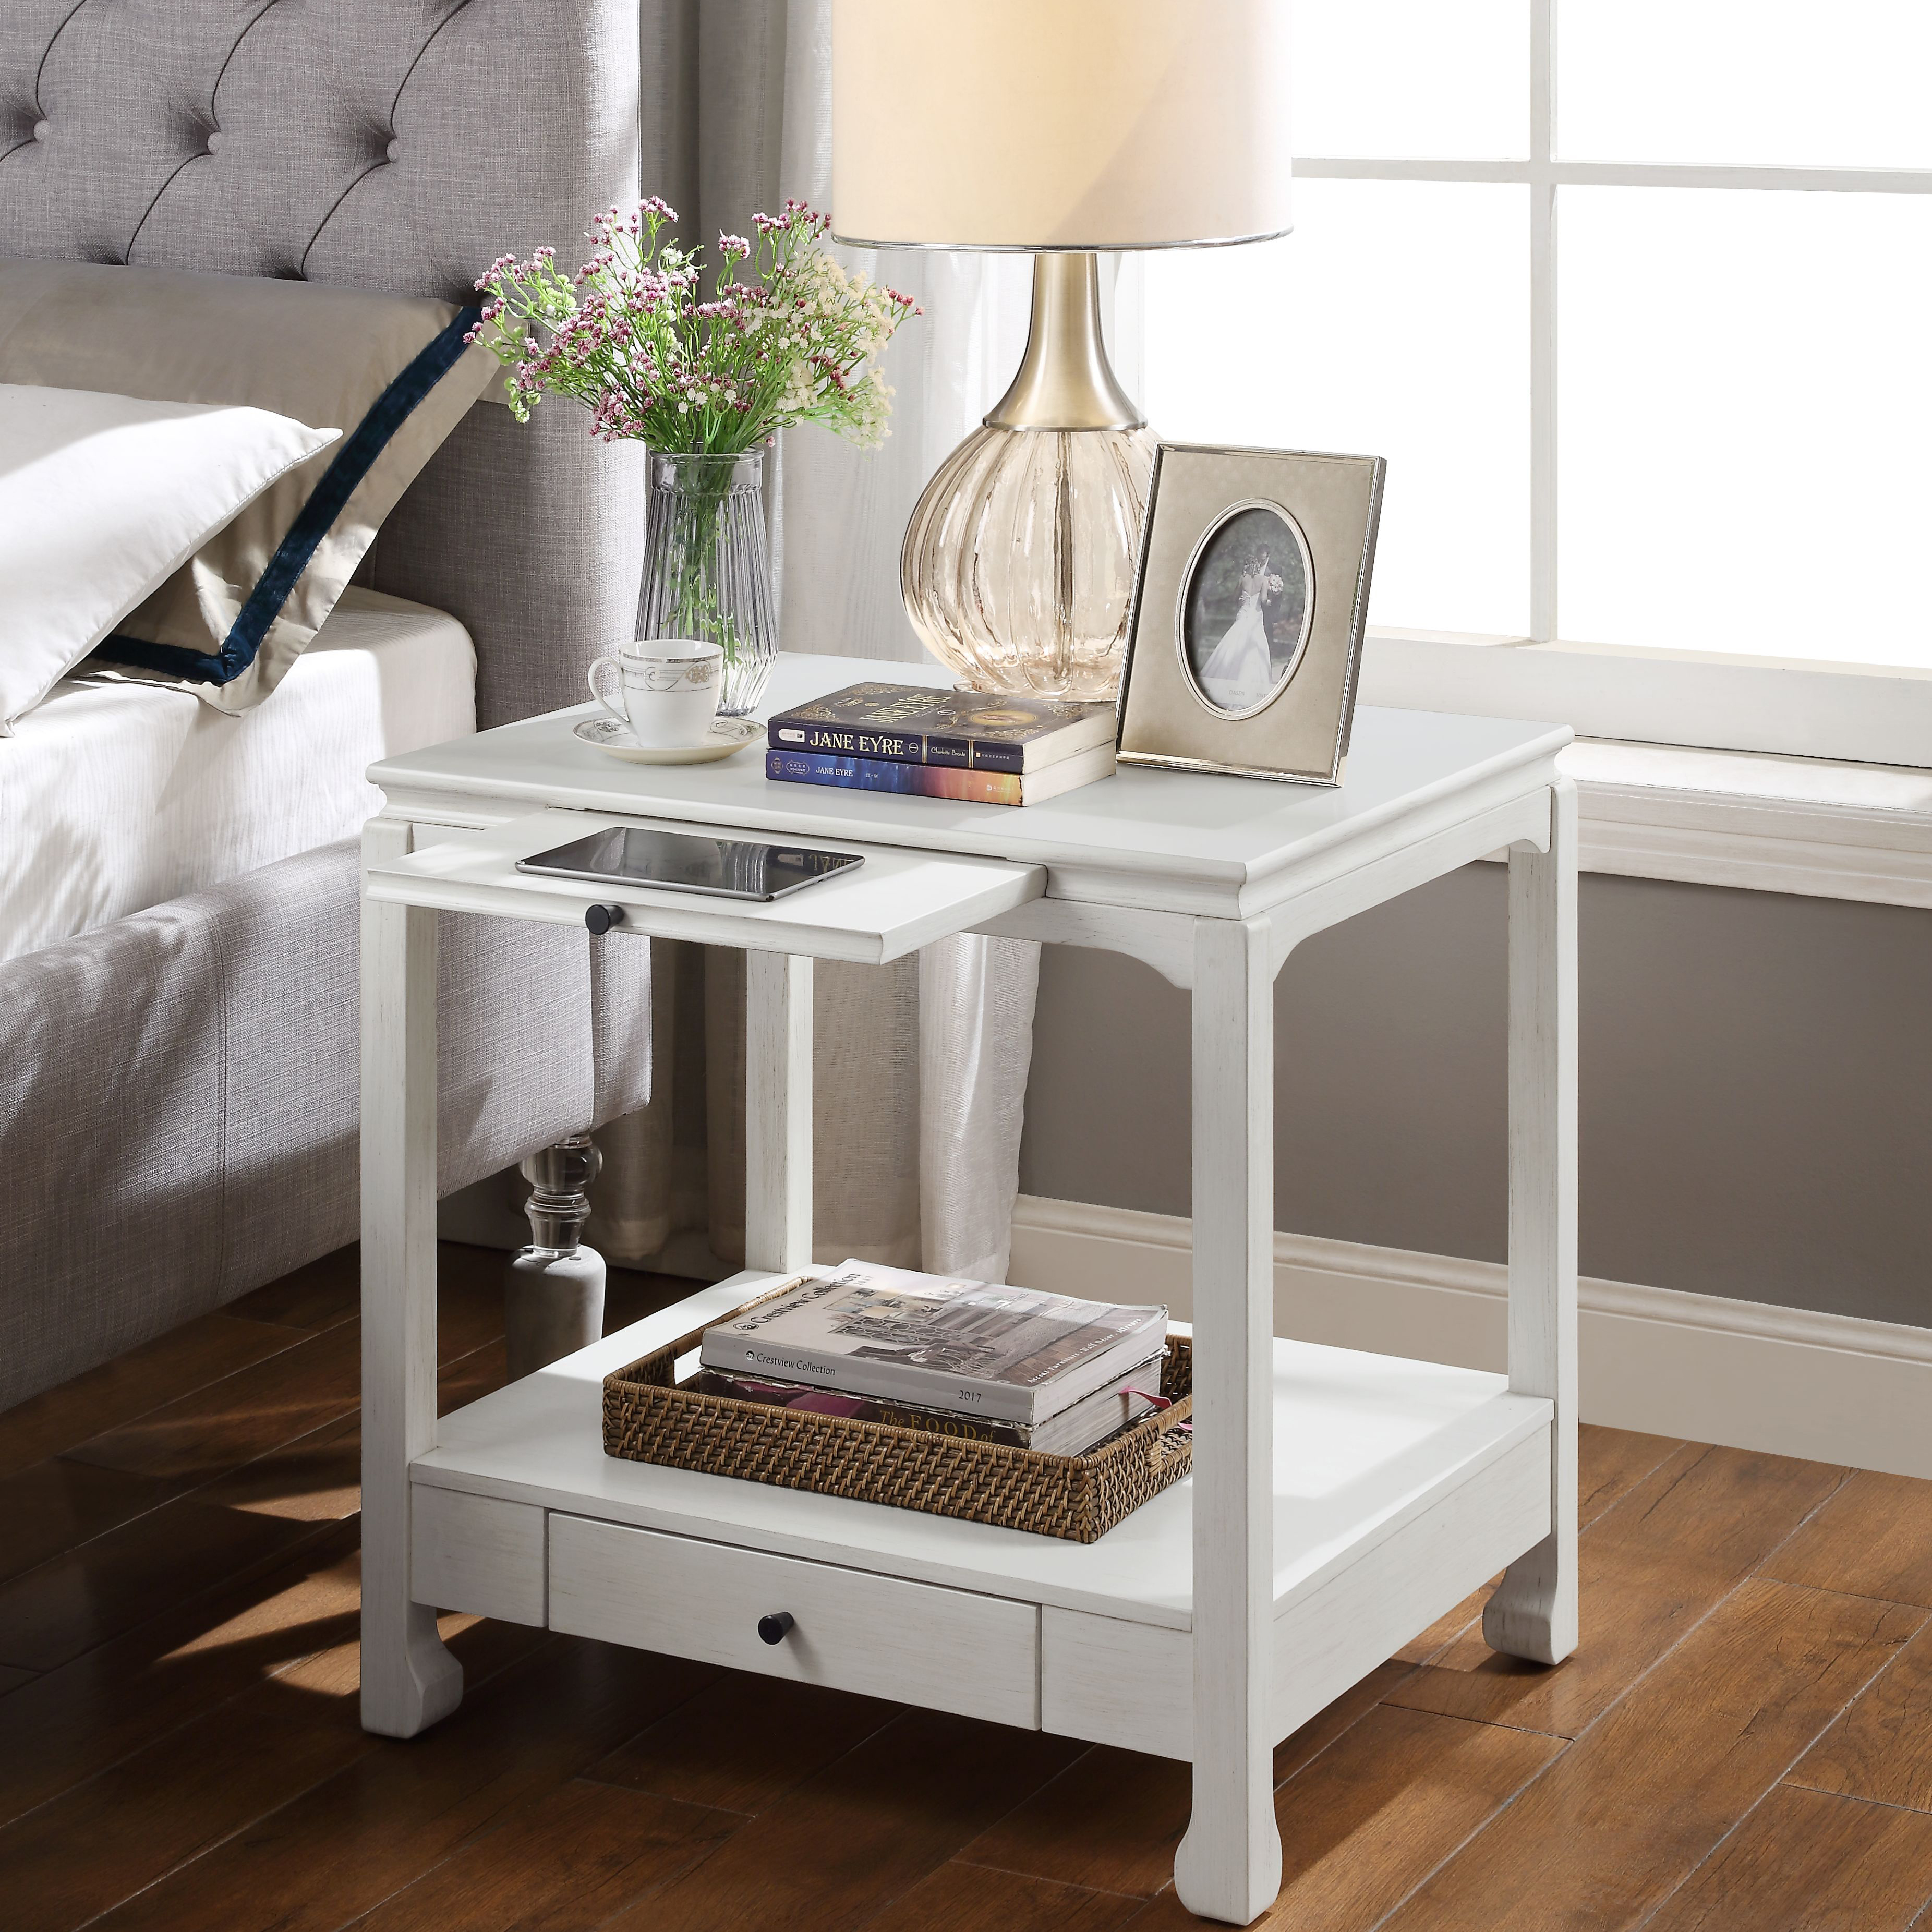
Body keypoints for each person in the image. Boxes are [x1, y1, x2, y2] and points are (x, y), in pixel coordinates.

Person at [1197, 549, 1285, 710]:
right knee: (1256, 648)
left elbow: (1234, 598)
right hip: (1256, 616)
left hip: (1243, 613)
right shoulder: (1264, 580)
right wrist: (1271, 601)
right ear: (1258, 565)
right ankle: (1251, 690)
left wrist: (1242, 599)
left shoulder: (1242, 579)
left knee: (1233, 643)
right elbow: (1264, 601)